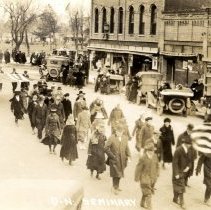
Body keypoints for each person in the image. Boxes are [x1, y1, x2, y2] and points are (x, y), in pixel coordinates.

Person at [104, 125, 131, 195]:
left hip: (123, 160)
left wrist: (129, 155)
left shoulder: (125, 138)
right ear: (116, 131)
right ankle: (114, 187)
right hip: (114, 160)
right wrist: (112, 156)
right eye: (119, 132)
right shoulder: (111, 138)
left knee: (120, 174)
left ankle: (117, 186)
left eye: (121, 132)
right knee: (115, 174)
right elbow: (106, 148)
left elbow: (127, 148)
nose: (120, 133)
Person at [135, 142, 159, 209]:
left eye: (153, 151)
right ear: (147, 151)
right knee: (148, 193)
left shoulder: (155, 156)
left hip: (152, 178)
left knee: (146, 192)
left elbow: (157, 165)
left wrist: (157, 173)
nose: (152, 152)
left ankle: (142, 203)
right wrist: (137, 177)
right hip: (144, 178)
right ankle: (149, 207)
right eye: (151, 151)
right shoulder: (143, 158)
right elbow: (138, 168)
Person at [172, 136, 192, 209]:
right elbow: (174, 163)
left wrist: (188, 167)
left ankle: (175, 198)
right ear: (186, 144)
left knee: (178, 186)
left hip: (184, 172)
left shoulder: (188, 150)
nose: (190, 146)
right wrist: (176, 173)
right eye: (190, 145)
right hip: (177, 171)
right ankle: (182, 203)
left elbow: (190, 161)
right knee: (181, 187)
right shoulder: (178, 150)